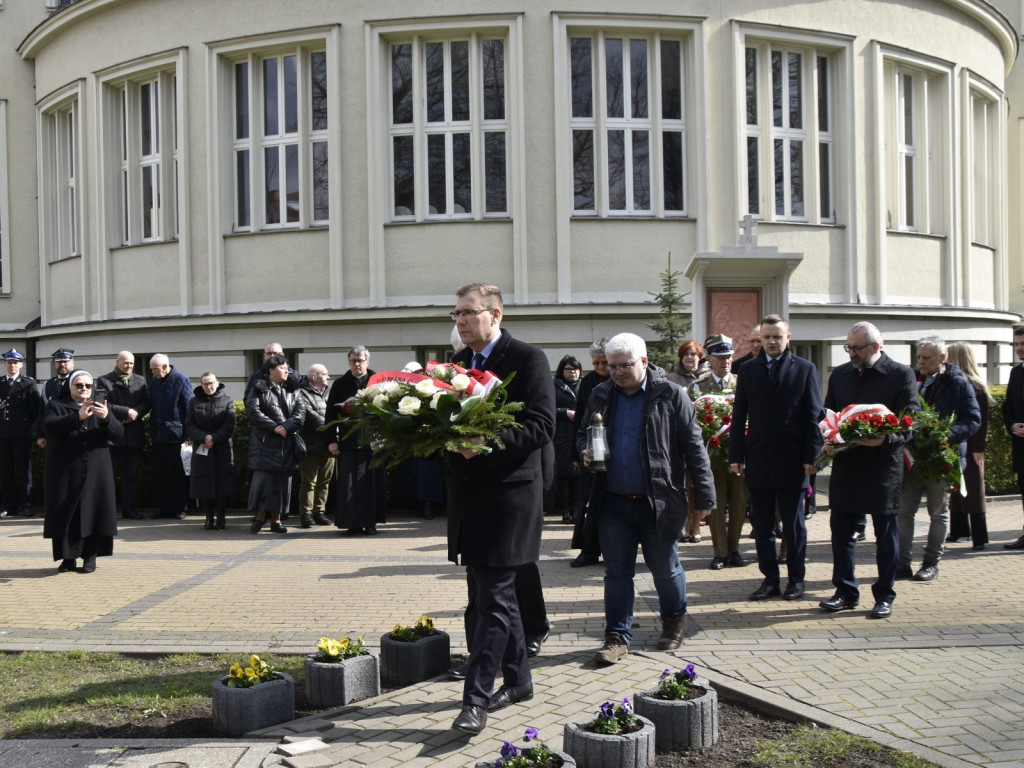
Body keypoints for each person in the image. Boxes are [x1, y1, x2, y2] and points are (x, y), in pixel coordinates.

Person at [446, 282, 555, 735]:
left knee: (490, 600)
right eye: (457, 315)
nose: (462, 321)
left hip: (511, 497)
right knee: (494, 596)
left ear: (495, 314)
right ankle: (519, 680)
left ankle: (475, 699)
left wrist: (486, 444)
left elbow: (542, 425)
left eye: (469, 313)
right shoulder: (457, 366)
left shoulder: (528, 359)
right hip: (471, 498)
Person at [579, 332, 714, 666]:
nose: (618, 372)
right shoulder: (599, 394)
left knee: (665, 569)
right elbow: (585, 433)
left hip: (660, 501)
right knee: (617, 572)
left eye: (625, 365)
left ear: (643, 361)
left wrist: (705, 495)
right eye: (612, 366)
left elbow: (694, 448)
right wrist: (583, 450)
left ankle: (673, 621)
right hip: (612, 501)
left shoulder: (670, 394)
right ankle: (616, 636)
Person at [821, 322, 919, 619]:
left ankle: (884, 594)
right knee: (841, 532)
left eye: (857, 348)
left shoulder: (901, 374)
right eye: (848, 347)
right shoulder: (840, 374)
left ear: (876, 346)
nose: (851, 353)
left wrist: (886, 438)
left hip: (882, 468)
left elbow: (911, 421)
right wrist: (827, 438)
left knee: (885, 535)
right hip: (847, 465)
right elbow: (827, 414)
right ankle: (845, 591)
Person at [729, 316, 823, 601]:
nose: (771, 342)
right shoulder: (747, 370)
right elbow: (739, 416)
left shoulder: (805, 369)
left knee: (794, 527)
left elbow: (812, 416)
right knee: (762, 527)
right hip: (758, 459)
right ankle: (770, 580)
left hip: (793, 461)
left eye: (776, 337)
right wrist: (736, 455)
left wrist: (812, 456)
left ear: (787, 338)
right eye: (766, 337)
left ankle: (796, 580)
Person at [897, 337, 980, 582]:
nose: (920, 362)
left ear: (942, 359)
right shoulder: (911, 379)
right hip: (911, 458)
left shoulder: (958, 383)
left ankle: (930, 564)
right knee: (903, 512)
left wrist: (945, 435)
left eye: (926, 358)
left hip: (940, 459)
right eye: (919, 357)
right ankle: (902, 564)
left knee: (938, 513)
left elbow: (973, 420)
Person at [42, 370, 123, 573]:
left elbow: (118, 433)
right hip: (65, 470)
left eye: (88, 386)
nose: (84, 389)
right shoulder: (56, 406)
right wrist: (77, 417)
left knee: (93, 512)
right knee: (67, 513)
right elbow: (50, 426)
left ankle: (90, 556)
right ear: (70, 387)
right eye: (79, 385)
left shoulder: (101, 406)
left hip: (96, 470)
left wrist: (106, 419)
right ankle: (68, 558)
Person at [689, 334, 747, 571]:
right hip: (711, 456)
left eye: (729, 357)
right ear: (709, 359)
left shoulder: (743, 383)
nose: (725, 361)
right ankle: (720, 552)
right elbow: (692, 423)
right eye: (720, 357)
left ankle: (734, 549)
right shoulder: (697, 387)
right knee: (715, 504)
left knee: (739, 505)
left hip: (738, 455)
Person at [327, 346, 386, 535]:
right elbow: (330, 414)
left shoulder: (378, 383)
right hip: (348, 441)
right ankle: (351, 524)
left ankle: (370, 523)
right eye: (353, 360)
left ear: (367, 362)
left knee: (371, 484)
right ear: (349, 362)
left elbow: (388, 412)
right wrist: (332, 440)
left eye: (360, 360)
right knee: (349, 485)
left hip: (372, 441)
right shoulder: (339, 385)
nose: (357, 364)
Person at [245, 354, 305, 534]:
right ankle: (261, 516)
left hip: (285, 443)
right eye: (282, 367)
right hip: (265, 443)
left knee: (282, 485)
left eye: (287, 367)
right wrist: (274, 428)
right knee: (264, 483)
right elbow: (253, 411)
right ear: (271, 370)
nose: (287, 370)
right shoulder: (259, 387)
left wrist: (286, 427)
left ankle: (277, 521)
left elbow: (300, 412)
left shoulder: (293, 389)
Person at [946, 342, 991, 550]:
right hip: (957, 443)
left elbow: (980, 420)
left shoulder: (974, 385)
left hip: (971, 445)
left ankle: (980, 537)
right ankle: (959, 530)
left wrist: (978, 448)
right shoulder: (956, 383)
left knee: (974, 490)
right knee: (956, 487)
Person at [95, 351, 150, 519]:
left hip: (134, 434)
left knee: (131, 475)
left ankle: (129, 508)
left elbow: (147, 402)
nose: (129, 366)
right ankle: (107, 510)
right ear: (117, 362)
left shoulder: (140, 381)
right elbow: (103, 404)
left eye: (132, 363)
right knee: (109, 475)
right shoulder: (104, 380)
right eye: (126, 363)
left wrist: (136, 413)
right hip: (113, 435)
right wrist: (125, 412)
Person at [569, 338, 609, 567]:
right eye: (596, 363)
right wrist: (575, 453)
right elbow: (580, 419)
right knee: (588, 503)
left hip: (612, 452)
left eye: (605, 362)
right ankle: (588, 550)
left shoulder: (620, 379)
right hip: (590, 452)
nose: (601, 368)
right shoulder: (588, 383)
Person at [185, 371, 237, 530]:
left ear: (217, 382)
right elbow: (189, 424)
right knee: (204, 484)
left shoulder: (227, 400)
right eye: (205, 383)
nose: (209, 386)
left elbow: (230, 424)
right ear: (201, 385)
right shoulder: (193, 402)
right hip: (202, 449)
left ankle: (221, 516)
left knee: (222, 484)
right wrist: (203, 438)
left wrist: (214, 438)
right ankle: (208, 516)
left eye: (211, 382)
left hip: (221, 449)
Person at [148, 354, 194, 520]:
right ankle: (163, 508)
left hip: (177, 436)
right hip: (160, 436)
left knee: (178, 476)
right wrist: (152, 433)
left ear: (165, 367)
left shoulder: (181, 379)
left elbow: (189, 408)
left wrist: (188, 435)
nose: (153, 373)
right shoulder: (154, 381)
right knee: (162, 475)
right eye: (152, 369)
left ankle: (179, 508)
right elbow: (154, 409)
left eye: (155, 369)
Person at [1, 349, 43, 518]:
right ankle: (10, 506)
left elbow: (35, 409)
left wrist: (25, 425)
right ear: (5, 364)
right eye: (10, 362)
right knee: (6, 471)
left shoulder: (28, 383)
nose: (12, 365)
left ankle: (27, 505)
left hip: (21, 433)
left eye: (15, 362)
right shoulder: (1, 383)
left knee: (25, 470)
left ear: (21, 364)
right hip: (3, 434)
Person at [297, 364, 335, 528]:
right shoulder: (301, 393)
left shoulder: (329, 392)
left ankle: (319, 512)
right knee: (309, 481)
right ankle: (306, 514)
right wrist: (332, 427)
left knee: (324, 481)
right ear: (314, 376)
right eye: (325, 374)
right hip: (311, 444)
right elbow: (310, 416)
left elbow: (335, 412)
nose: (328, 377)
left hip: (328, 444)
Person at [1002, 325, 1024, 550]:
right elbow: (1008, 407)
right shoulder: (1016, 373)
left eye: (1023, 344)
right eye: (1016, 344)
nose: (1019, 349)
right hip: (1021, 446)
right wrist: (1012, 425)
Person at [553, 355, 582, 524]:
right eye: (569, 369)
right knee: (563, 476)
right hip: (561, 435)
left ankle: (577, 509)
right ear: (562, 371)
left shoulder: (584, 385)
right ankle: (565, 510)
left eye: (575, 369)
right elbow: (548, 408)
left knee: (578, 474)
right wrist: (565, 412)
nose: (573, 372)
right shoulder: (554, 385)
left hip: (579, 433)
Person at [36, 348, 75, 447]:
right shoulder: (48, 384)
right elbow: (42, 412)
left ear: (72, 363)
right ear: (55, 364)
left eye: (65, 361)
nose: (62, 364)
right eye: (59, 362)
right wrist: (41, 435)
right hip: (52, 435)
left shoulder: (80, 383)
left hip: (74, 433)